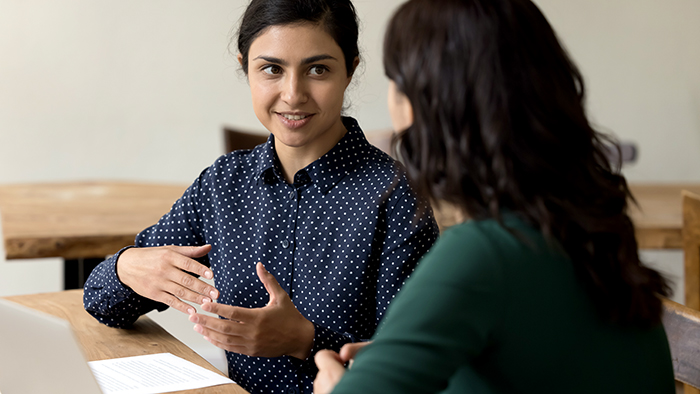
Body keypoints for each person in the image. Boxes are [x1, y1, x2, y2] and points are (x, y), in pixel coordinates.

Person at [313, 0, 675, 393]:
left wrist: (336, 387)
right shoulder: (592, 232)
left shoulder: (479, 253)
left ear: (431, 106)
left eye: (394, 79)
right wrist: (407, 359)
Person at [83, 0, 439, 393]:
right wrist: (126, 267)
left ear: (350, 70)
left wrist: (304, 340)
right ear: (245, 67)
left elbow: (419, 369)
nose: (292, 94)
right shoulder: (223, 184)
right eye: (272, 69)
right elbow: (102, 302)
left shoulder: (396, 197)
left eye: (317, 69)